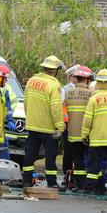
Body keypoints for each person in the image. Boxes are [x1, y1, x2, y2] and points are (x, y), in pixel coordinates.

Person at [22, 55, 65, 189]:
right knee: (50, 156)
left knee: (30, 154)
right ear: (55, 70)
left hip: (33, 125)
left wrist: (30, 118)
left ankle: (27, 181)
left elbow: (26, 102)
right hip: (49, 128)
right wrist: (60, 126)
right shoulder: (54, 85)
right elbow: (56, 108)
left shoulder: (31, 81)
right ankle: (51, 182)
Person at [61, 66, 93, 191]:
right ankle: (90, 184)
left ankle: (79, 184)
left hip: (72, 133)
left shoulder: (67, 93)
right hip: (88, 134)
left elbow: (63, 113)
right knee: (89, 159)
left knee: (77, 160)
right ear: (86, 80)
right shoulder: (92, 95)